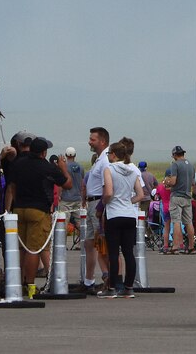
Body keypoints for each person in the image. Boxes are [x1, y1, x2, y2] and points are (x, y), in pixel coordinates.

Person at [4, 136, 71, 290]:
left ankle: (17, 282)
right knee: (34, 249)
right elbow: (67, 184)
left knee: (21, 248)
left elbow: (11, 186)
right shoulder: (46, 167)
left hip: (19, 208)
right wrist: (63, 168)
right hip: (38, 210)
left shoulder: (18, 164)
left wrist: (16, 202)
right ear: (44, 153)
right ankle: (30, 285)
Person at [99, 141, 146, 298]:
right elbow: (140, 194)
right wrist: (127, 201)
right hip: (129, 215)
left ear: (113, 154)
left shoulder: (109, 169)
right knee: (128, 253)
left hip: (114, 214)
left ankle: (112, 288)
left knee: (113, 252)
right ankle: (129, 287)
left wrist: (105, 203)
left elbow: (109, 192)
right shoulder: (133, 169)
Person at [80, 126, 110, 291]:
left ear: (102, 141)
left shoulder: (106, 160)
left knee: (102, 243)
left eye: (93, 139)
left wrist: (100, 207)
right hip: (92, 203)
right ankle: (88, 281)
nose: (89, 142)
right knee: (89, 243)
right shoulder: (99, 159)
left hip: (98, 204)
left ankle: (109, 278)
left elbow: (107, 187)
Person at [163, 145, 196, 253]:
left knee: (176, 221)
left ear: (175, 155)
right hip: (187, 196)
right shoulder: (191, 165)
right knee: (188, 222)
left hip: (177, 196)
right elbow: (193, 183)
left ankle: (175, 246)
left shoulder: (175, 165)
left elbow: (173, 181)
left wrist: (166, 182)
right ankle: (191, 246)